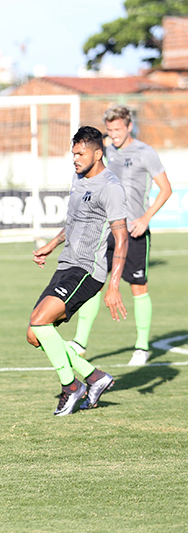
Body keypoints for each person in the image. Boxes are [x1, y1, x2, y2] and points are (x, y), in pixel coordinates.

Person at [27, 126, 128, 416]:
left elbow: (120, 238)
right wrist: (51, 244)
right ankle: (95, 377)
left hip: (87, 270)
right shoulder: (78, 177)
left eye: (81, 153)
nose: (75, 158)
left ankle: (71, 387)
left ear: (98, 153)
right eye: (73, 153)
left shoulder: (110, 187)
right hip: (66, 264)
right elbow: (75, 222)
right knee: (35, 334)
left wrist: (113, 285)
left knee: (39, 321)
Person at [68, 105, 172, 366]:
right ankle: (80, 343)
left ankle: (141, 347)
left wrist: (145, 218)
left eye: (118, 129)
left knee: (138, 287)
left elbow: (166, 189)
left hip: (134, 230)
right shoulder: (103, 151)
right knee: (93, 283)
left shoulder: (145, 152)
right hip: (105, 230)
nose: (113, 134)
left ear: (129, 127)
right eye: (110, 129)